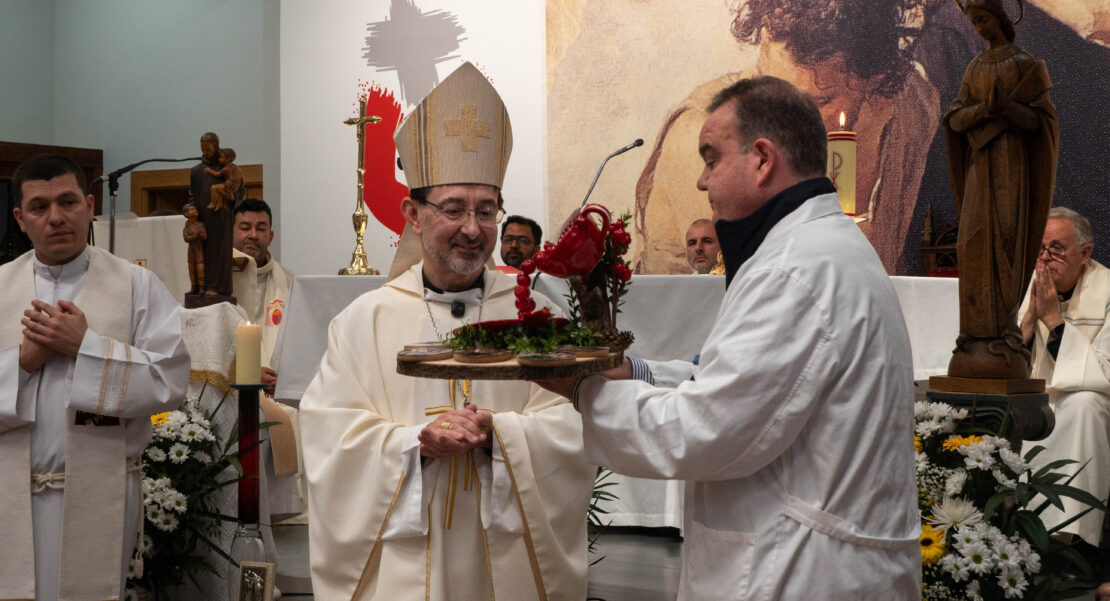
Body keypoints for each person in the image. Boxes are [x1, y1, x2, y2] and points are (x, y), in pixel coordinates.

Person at [539, 77, 920, 599]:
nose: (701, 181)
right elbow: (730, 382)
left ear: (762, 160)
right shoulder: (815, 249)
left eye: (711, 158)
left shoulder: (796, 269)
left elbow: (704, 430)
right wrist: (631, 373)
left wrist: (580, 389)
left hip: (800, 571)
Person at [299, 62, 594, 601]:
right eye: (453, 209)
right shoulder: (364, 321)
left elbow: (573, 426)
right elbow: (328, 436)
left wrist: (499, 435)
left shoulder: (538, 319)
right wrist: (415, 442)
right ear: (413, 214)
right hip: (404, 565)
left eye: (487, 210)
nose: (472, 229)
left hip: (502, 565)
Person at [0, 154, 190, 601]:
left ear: (89, 206)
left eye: (67, 202)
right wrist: (25, 360)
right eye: (39, 207)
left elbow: (169, 381)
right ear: (20, 219)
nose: (56, 217)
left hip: (100, 492)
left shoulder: (137, 285)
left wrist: (83, 347)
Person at [633, 0, 939, 274]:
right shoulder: (702, 135)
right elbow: (738, 286)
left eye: (817, 102)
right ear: (765, 43)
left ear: (872, 80)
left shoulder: (912, 108)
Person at [944, 0, 1058, 378]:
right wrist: (984, 110)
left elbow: (1040, 121)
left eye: (984, 19)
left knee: (1008, 244)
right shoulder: (975, 67)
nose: (979, 28)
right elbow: (955, 119)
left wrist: (1007, 109)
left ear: (1001, 17)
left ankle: (1002, 332)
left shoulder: (1025, 64)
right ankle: (974, 333)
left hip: (1012, 170)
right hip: (979, 170)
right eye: (975, 22)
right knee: (971, 242)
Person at [1018, 207, 1110, 556]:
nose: (1045, 259)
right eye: (1040, 250)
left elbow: (1104, 373)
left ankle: (1073, 542)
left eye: (1056, 250)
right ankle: (1016, 532)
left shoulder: (1107, 289)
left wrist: (1055, 321)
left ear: (1085, 253)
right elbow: (1008, 365)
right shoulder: (1026, 286)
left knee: (1082, 404)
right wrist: (1030, 319)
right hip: (1034, 398)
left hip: (1091, 405)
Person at [189, 132, 241, 296]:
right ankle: (199, 287)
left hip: (221, 219)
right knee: (200, 255)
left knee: (218, 253)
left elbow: (239, 192)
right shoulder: (196, 171)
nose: (205, 152)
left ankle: (217, 287)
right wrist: (190, 209)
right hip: (202, 219)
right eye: (202, 149)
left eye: (208, 149)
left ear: (217, 146)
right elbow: (192, 195)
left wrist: (231, 198)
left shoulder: (229, 168)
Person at [205, 147, 244, 212]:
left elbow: (217, 174)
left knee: (213, 188)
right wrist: (240, 185)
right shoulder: (236, 167)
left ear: (228, 159)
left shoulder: (226, 169)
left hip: (229, 186)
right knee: (219, 191)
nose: (219, 159)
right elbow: (243, 178)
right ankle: (219, 205)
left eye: (221, 157)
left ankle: (212, 203)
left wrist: (209, 171)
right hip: (235, 186)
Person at [183, 202, 207, 294]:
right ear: (186, 214)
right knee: (191, 267)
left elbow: (204, 236)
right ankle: (194, 287)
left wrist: (196, 236)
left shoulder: (200, 224)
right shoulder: (187, 225)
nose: (195, 211)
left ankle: (201, 287)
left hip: (198, 249)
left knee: (200, 266)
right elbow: (186, 238)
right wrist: (196, 235)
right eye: (192, 209)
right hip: (191, 250)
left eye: (195, 209)